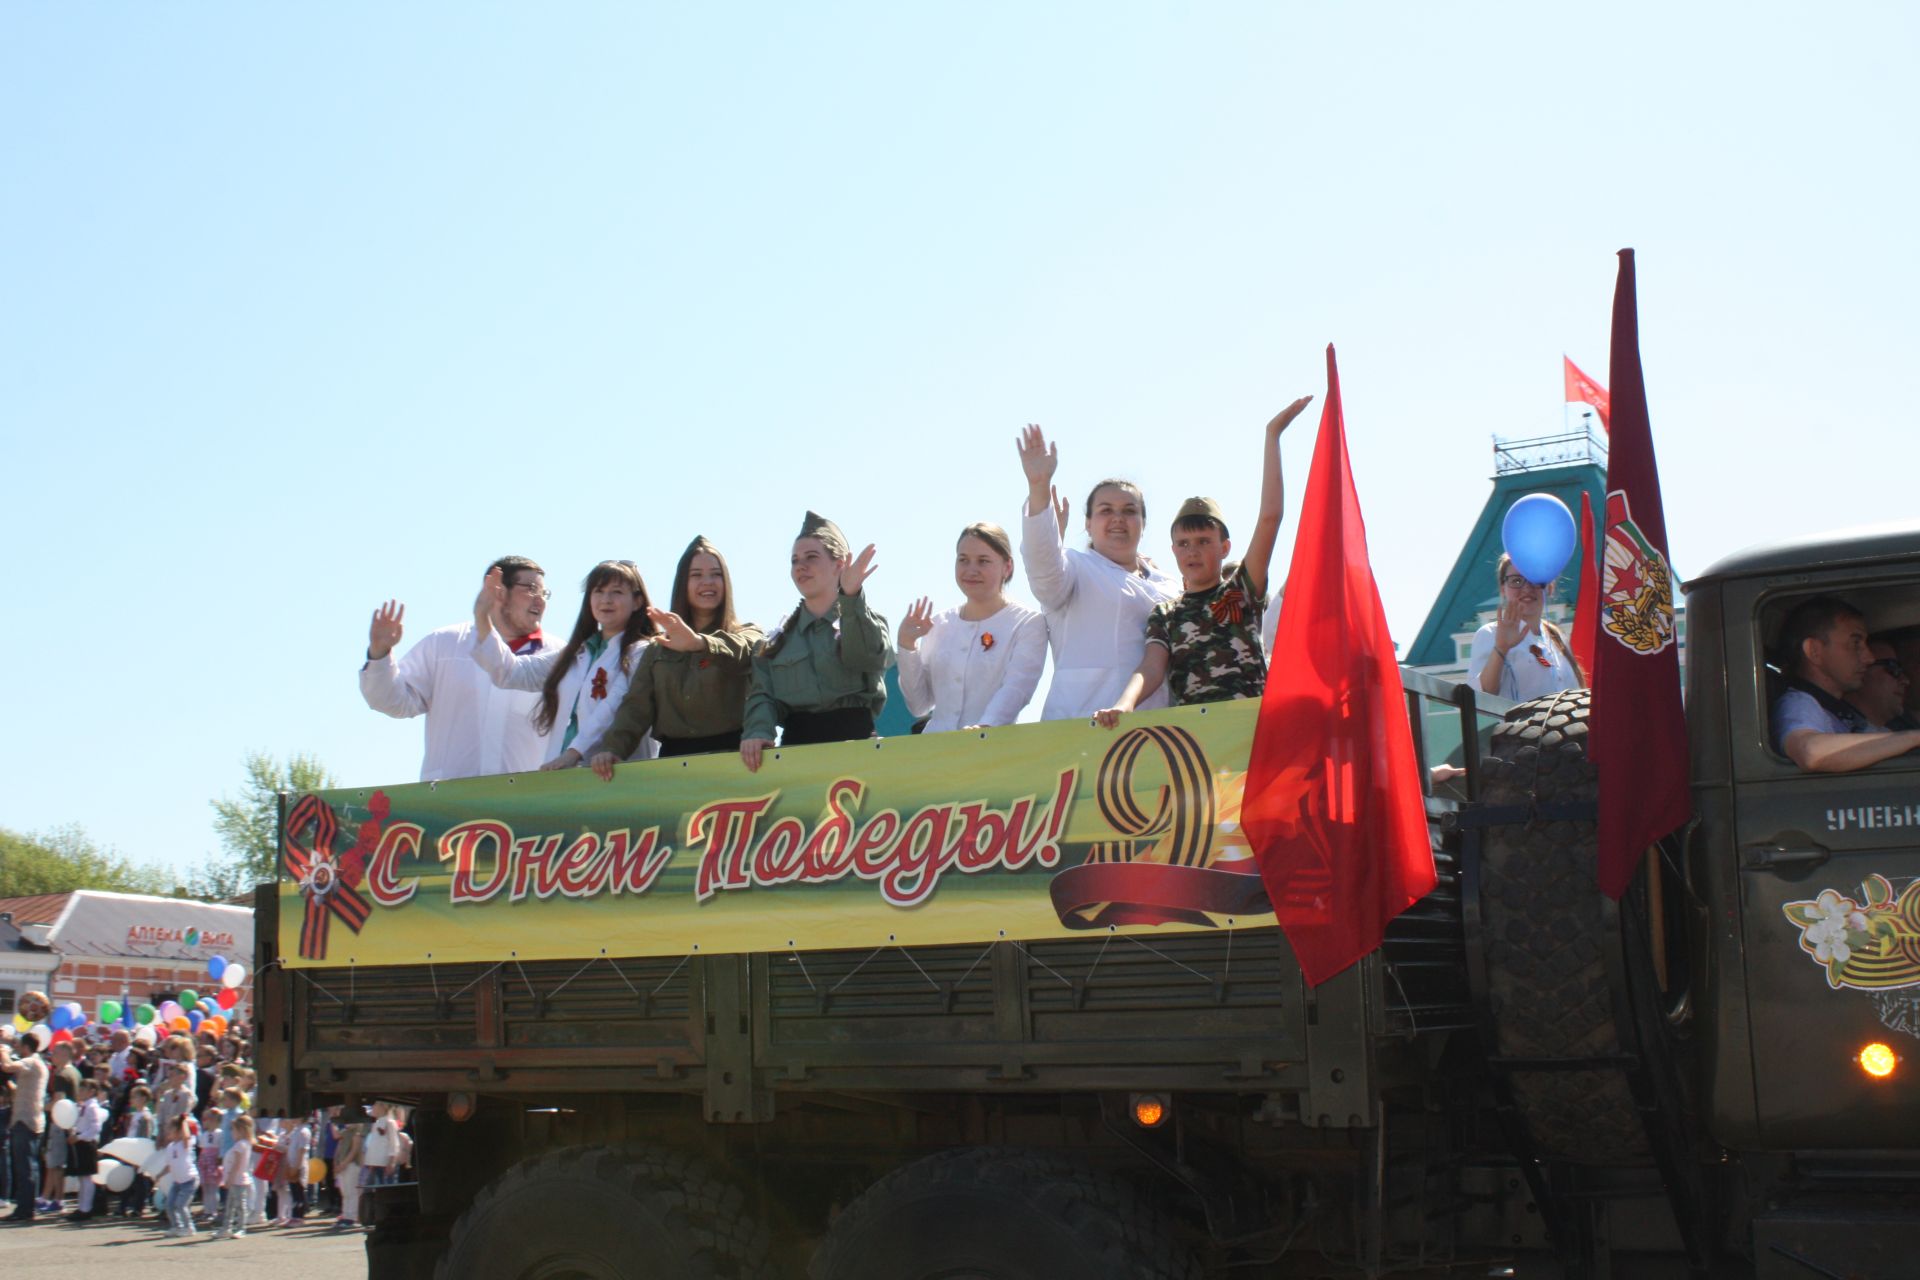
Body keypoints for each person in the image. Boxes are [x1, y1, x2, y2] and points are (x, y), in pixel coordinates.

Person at [1095, 399, 1310, 723]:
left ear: (1224, 547)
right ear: (1173, 551)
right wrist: (1125, 704)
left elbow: (1270, 518)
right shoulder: (1166, 614)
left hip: (1252, 729)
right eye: (1183, 543)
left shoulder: (1241, 591)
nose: (1192, 551)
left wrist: (1272, 435)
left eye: (1203, 542)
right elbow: (1152, 667)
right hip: (1197, 737)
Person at [1016, 426, 1180, 720]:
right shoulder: (1075, 568)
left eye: (1129, 511)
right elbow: (1042, 565)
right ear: (1088, 524)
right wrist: (1039, 488)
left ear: (1143, 523)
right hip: (1080, 725)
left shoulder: (1169, 585)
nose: (1118, 518)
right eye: (1106, 510)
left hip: (1156, 730)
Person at [360, 555, 552, 780]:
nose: (541, 601)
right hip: (449, 807)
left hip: (526, 806)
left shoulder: (560, 655)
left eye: (544, 593)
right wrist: (379, 654)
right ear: (498, 591)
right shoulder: (444, 644)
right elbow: (391, 701)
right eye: (531, 589)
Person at [590, 538, 766, 772]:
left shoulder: (747, 633)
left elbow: (746, 650)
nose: (707, 582)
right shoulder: (659, 647)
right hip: (674, 767)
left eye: (715, 574)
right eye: (696, 575)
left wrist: (699, 643)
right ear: (683, 583)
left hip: (733, 761)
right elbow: (636, 707)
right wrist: (612, 749)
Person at [740, 513, 894, 772]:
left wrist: (851, 597)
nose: (801, 566)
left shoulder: (864, 621)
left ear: (840, 564)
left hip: (857, 750)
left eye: (812, 557)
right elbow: (763, 695)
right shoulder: (775, 642)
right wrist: (757, 731)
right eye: (794, 561)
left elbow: (870, 657)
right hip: (798, 759)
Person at [472, 560, 659, 771]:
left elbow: (614, 706)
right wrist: (482, 617)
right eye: (598, 591)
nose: (606, 600)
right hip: (565, 777)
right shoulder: (576, 654)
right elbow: (510, 672)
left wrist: (573, 753)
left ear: (637, 602)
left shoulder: (643, 651)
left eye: (616, 592)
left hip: (615, 777)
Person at [896, 523, 1047, 733]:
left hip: (991, 749)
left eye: (983, 561)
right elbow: (919, 705)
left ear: (1007, 566)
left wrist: (986, 726)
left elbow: (1017, 687)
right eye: (963, 560)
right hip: (933, 752)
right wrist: (907, 645)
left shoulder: (1027, 623)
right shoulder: (938, 623)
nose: (971, 570)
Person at [1773, 595, 1920, 772]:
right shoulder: (1800, 703)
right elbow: (1811, 752)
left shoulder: (1837, 711)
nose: (1869, 657)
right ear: (1814, 651)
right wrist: (1913, 738)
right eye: (1855, 643)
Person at [1467, 553, 1585, 702]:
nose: (1527, 588)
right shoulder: (1491, 633)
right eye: (1516, 581)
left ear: (1549, 587)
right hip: (1522, 725)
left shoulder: (1557, 637)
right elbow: (1481, 696)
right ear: (1503, 588)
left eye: (1535, 579)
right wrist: (1501, 649)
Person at [0, 1034, 46, 1223]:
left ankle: (25, 1208)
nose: (17, 1048)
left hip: (26, 1121)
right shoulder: (35, 1066)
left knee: (25, 1166)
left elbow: (8, 1066)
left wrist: (2, 1050)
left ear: (27, 1047)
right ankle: (25, 1206)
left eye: (19, 1045)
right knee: (26, 1166)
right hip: (28, 1119)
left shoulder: (31, 1062)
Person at [1848, 640, 1917, 731]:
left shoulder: (1893, 737)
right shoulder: (1833, 730)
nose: (1905, 680)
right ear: (1861, 671)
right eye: (1893, 667)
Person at [66, 1079, 105, 1220]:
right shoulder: (83, 1106)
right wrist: (74, 1133)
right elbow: (80, 1123)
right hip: (80, 1141)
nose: (80, 1092)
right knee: (82, 1177)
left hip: (87, 1143)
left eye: (84, 1089)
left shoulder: (92, 1107)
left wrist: (81, 1136)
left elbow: (96, 1127)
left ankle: (86, 1208)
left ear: (92, 1091)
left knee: (87, 1177)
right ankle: (82, 1206)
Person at [213, 1113, 254, 1240]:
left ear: (241, 1130)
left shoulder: (240, 1145)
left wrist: (230, 1178)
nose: (232, 1133)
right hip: (235, 1179)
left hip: (238, 1180)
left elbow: (237, 1164)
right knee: (230, 1205)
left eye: (234, 1130)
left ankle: (240, 1228)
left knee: (239, 1205)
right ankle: (227, 1227)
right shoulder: (243, 1144)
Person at [161, 1114, 199, 1237]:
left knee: (181, 1205)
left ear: (178, 1130)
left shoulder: (184, 1144)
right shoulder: (170, 1147)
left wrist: (183, 1122)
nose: (168, 1131)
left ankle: (189, 1227)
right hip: (177, 1182)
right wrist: (159, 1174)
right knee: (169, 1204)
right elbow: (169, 1165)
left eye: (171, 1128)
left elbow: (186, 1137)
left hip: (189, 1180)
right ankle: (177, 1226)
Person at [333, 1118, 365, 1231]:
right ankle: (345, 1214)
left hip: (351, 1165)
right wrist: (336, 1163)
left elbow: (354, 1151)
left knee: (352, 1192)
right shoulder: (344, 1133)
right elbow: (338, 1147)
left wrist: (344, 1163)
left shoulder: (357, 1134)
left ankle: (352, 1216)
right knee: (345, 1192)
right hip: (341, 1165)